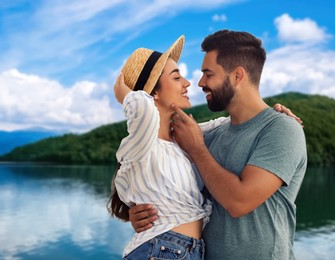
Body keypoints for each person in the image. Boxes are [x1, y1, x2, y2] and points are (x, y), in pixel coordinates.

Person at [128, 30, 307, 260]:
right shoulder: (211, 135)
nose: (200, 82)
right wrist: (138, 214)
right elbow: (160, 170)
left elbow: (239, 201)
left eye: (208, 74)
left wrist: (198, 150)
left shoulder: (282, 129)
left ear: (237, 76)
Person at [108, 35, 222, 259]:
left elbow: (229, 123)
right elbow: (142, 108)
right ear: (154, 93)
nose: (187, 83)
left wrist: (272, 114)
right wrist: (126, 95)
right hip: (162, 249)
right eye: (176, 77)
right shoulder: (143, 142)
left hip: (185, 251)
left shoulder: (180, 141)